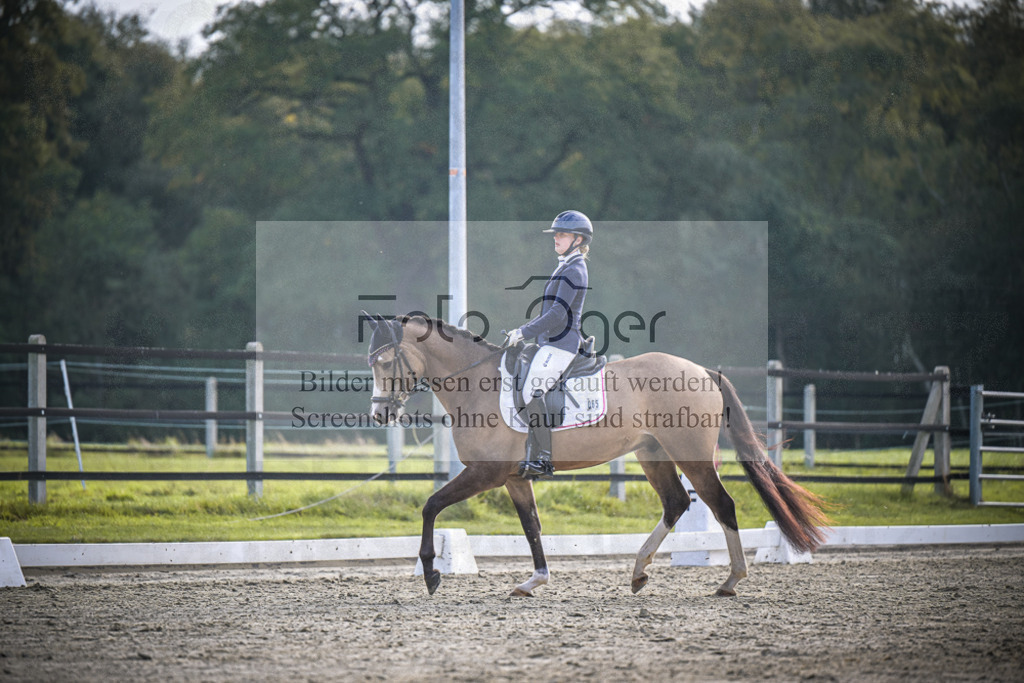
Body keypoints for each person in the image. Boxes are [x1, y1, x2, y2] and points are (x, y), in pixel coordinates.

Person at [506, 210, 593, 479]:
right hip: (550, 342)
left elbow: (557, 314)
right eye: (556, 233)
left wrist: (523, 331)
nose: (556, 238)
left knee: (532, 390)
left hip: (562, 344)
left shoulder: (575, 270)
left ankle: (544, 458)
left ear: (578, 239)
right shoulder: (565, 265)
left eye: (562, 234)